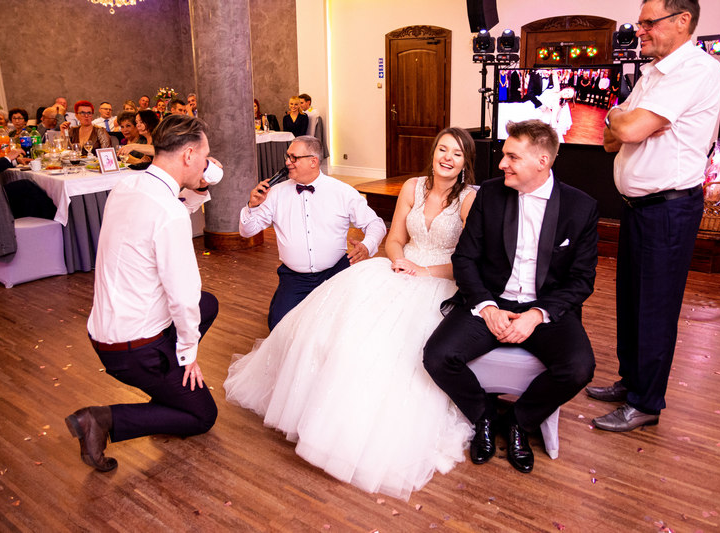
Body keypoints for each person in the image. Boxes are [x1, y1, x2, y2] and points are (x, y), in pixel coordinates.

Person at [225, 127, 477, 500]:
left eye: (456, 153)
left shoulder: (470, 199)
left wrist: (422, 270)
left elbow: (469, 259)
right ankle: (317, 413)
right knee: (332, 331)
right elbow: (394, 237)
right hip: (394, 270)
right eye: (442, 149)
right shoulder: (412, 187)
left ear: (465, 161)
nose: (447, 158)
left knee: (395, 350)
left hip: (439, 280)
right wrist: (398, 260)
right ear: (433, 152)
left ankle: (358, 430)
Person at [423, 119, 598, 474]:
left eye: (512, 157)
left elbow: (581, 281)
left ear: (542, 161)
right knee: (438, 357)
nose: (502, 163)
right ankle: (484, 416)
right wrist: (487, 307)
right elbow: (465, 259)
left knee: (579, 368)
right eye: (504, 155)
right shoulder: (490, 194)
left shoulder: (580, 208)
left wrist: (536, 315)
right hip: (491, 301)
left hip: (544, 310)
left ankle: (520, 421)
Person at [588, 0, 720, 432]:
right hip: (638, 207)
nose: (641, 30)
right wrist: (620, 117)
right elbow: (611, 137)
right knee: (631, 301)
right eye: (640, 22)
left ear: (683, 21)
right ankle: (631, 382)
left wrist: (624, 122)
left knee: (655, 308)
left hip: (668, 209)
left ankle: (645, 402)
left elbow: (626, 131)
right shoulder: (652, 73)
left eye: (649, 22)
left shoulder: (696, 69)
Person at [64, 115, 219, 472]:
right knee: (202, 416)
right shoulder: (168, 212)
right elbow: (182, 295)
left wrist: (198, 189)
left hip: (106, 331)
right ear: (188, 155)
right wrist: (188, 354)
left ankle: (166, 388)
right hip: (134, 348)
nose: (207, 163)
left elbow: (167, 215)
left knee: (207, 305)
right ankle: (101, 420)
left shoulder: (128, 185)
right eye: (205, 156)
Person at [238, 135, 386, 330]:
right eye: (287, 156)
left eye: (294, 158)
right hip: (295, 277)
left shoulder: (342, 192)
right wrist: (253, 206)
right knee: (278, 327)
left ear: (313, 161)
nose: (287, 162)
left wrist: (367, 245)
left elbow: (376, 224)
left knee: (345, 326)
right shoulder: (275, 193)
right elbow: (247, 232)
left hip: (335, 273)